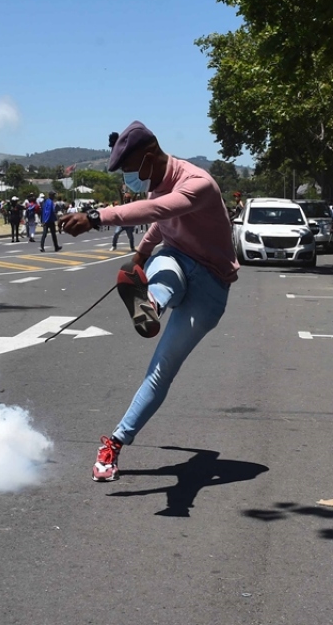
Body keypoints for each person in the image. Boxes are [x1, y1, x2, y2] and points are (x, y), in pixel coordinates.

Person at [60, 122, 237, 483]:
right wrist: (140, 255)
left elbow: (157, 211)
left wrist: (95, 217)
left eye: (130, 169)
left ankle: (118, 440)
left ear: (151, 154)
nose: (129, 179)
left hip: (211, 288)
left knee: (161, 370)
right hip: (176, 262)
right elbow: (161, 220)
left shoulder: (197, 183)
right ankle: (151, 304)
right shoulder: (158, 184)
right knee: (165, 262)